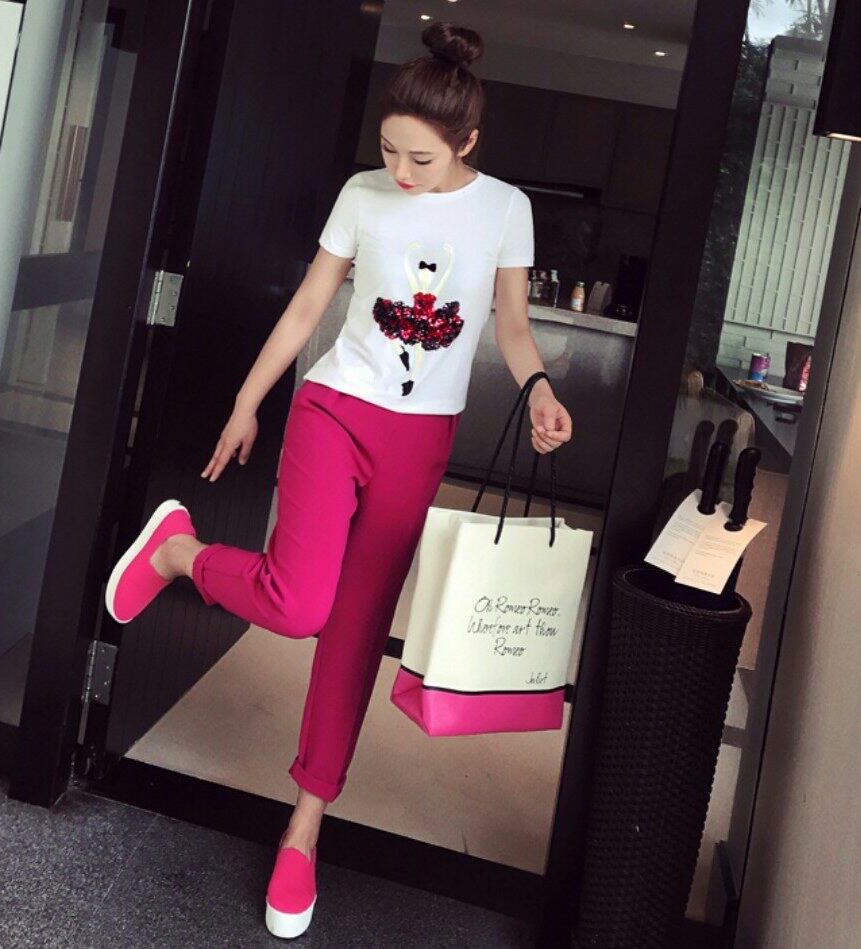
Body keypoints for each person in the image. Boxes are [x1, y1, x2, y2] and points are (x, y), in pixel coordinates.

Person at [104, 20, 572, 940]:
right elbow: (310, 303)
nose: (400, 170)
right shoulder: (362, 193)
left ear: (468, 142)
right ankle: (177, 552)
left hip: (421, 438)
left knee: (354, 635)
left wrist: (541, 389)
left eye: (421, 158)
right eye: (389, 149)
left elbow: (512, 326)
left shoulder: (505, 210)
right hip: (334, 408)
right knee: (300, 604)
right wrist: (247, 403)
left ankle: (304, 827)